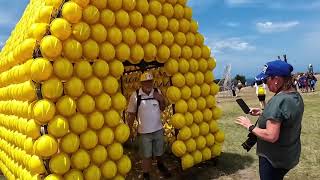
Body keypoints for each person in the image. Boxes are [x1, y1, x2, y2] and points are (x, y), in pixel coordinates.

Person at [235, 60, 304, 180]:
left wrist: (249, 126)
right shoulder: (295, 96)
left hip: (273, 160)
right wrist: (263, 112)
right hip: (289, 154)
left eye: (266, 80)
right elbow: (286, 115)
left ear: (276, 80)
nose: (265, 84)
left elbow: (271, 136)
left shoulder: (279, 100)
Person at [126, 72, 171, 180]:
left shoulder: (157, 92)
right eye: (145, 82)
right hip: (144, 132)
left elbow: (163, 108)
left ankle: (160, 165)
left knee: (159, 151)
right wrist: (129, 129)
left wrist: (160, 99)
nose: (148, 84)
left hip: (158, 129)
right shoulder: (135, 95)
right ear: (141, 83)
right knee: (146, 155)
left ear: (152, 82)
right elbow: (131, 114)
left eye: (150, 81)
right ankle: (146, 173)